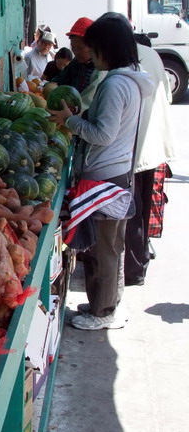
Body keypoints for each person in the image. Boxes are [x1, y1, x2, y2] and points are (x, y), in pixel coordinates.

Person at [48, 17, 154, 330]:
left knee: (104, 248)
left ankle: (103, 312)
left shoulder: (114, 84)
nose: (90, 55)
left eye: (93, 48)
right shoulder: (130, 79)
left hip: (104, 175)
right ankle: (105, 302)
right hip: (115, 171)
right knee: (109, 245)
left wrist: (70, 121)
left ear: (107, 49)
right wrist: (80, 117)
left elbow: (103, 134)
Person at [98, 13, 176, 286]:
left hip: (131, 149)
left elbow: (103, 119)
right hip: (153, 145)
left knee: (129, 215)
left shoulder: (116, 70)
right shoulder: (150, 57)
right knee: (142, 210)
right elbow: (167, 95)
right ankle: (138, 265)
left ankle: (131, 273)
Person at [51, 16, 104, 110]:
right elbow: (59, 80)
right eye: (73, 47)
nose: (76, 52)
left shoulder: (101, 71)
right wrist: (50, 85)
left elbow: (87, 103)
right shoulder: (76, 63)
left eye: (80, 48)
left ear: (93, 46)